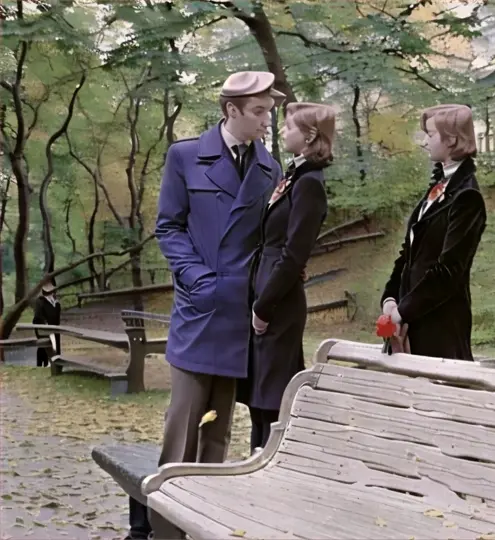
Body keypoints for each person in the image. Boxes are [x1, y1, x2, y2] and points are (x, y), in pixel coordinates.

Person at [124, 71, 285, 540]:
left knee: (218, 431)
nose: (265, 122)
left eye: (269, 113)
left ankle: (201, 527)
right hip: (200, 309)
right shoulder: (185, 156)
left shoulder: (269, 168)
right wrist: (196, 279)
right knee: (184, 424)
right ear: (230, 110)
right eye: (258, 112)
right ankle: (161, 530)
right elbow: (169, 227)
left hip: (241, 314)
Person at [236, 102, 336, 452]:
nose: (281, 130)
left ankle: (269, 468)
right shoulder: (292, 177)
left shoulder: (310, 184)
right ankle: (253, 466)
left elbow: (294, 254)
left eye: (289, 126)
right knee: (258, 399)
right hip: (264, 289)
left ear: (309, 135)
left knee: (272, 397)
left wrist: (263, 307)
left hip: (279, 302)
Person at [379, 104, 487, 361]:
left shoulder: (467, 197)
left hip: (441, 325)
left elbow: (448, 272)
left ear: (451, 139)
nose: (424, 141)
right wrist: (390, 299)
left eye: (430, 134)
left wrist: (403, 311)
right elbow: (408, 254)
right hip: (411, 320)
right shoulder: (438, 189)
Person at [32, 281, 61, 367]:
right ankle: (42, 364)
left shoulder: (55, 301)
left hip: (55, 326)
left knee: (55, 344)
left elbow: (57, 313)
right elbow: (37, 316)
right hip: (43, 327)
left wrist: (57, 304)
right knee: (44, 345)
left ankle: (55, 363)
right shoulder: (40, 301)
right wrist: (45, 323)